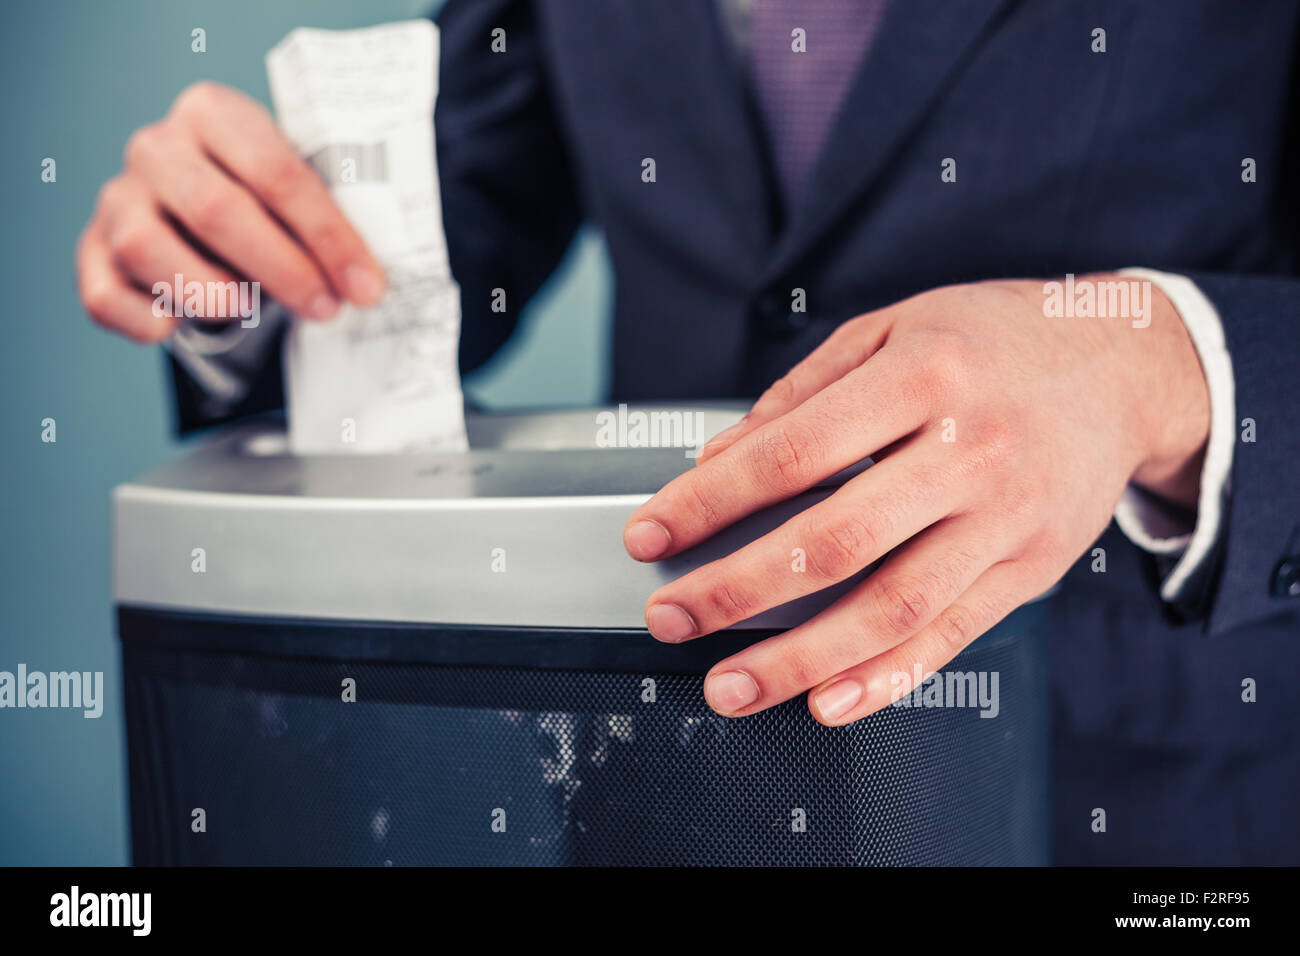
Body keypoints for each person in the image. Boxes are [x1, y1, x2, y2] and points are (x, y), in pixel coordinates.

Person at [75, 0, 1300, 864]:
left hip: (1130, 792)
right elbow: (429, 229)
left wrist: (1152, 364)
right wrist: (232, 266)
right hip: (661, 766)